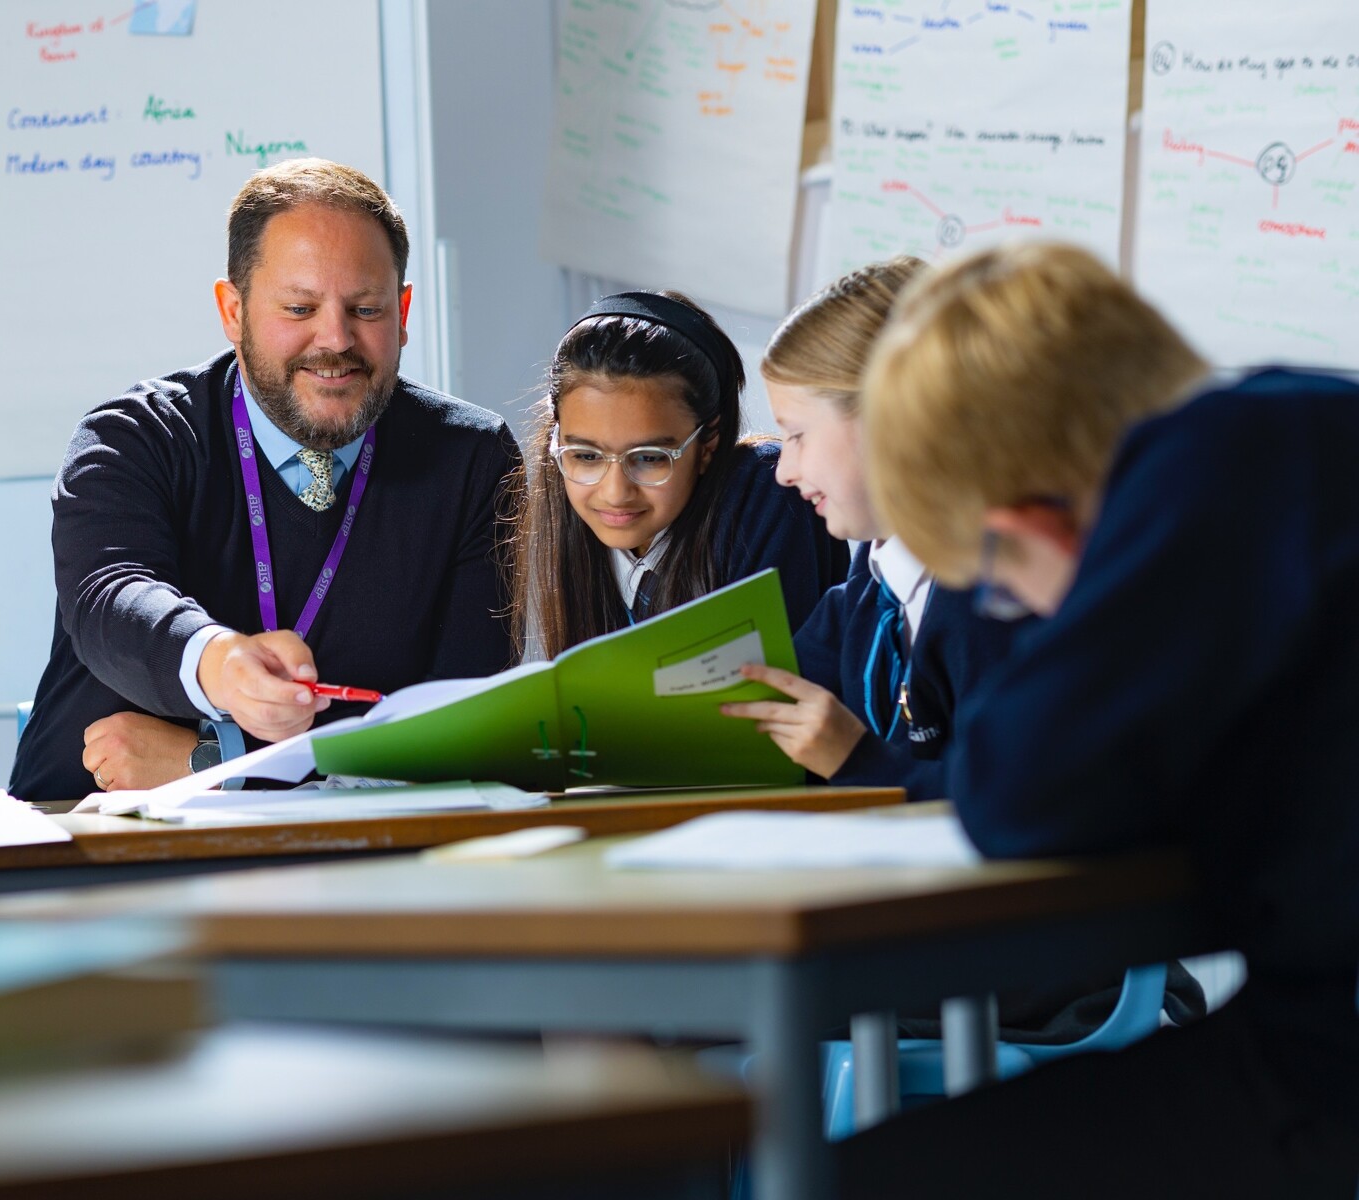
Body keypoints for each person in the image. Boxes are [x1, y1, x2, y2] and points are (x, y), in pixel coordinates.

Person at [839, 242, 1359, 1197]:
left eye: (1006, 593)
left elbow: (1017, 793)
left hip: (1326, 1077)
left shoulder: (1207, 466)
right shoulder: (1310, 423)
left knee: (863, 1179)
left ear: (1028, 529)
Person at [10, 159, 520, 802]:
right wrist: (219, 665)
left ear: (403, 311)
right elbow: (110, 597)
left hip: (369, 843)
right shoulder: (134, 439)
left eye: (366, 308)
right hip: (98, 834)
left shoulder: (474, 461)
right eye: (299, 308)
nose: (335, 339)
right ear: (233, 310)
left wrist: (215, 762)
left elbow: (461, 726)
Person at [717, 257, 1021, 800]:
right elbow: (758, 707)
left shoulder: (997, 599)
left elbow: (1015, 804)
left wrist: (855, 760)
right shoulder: (871, 586)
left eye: (797, 435)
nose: (783, 471)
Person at [503, 289, 846, 662]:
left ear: (708, 443)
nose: (615, 492)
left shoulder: (769, 491)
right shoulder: (564, 513)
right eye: (587, 456)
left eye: (650, 458)